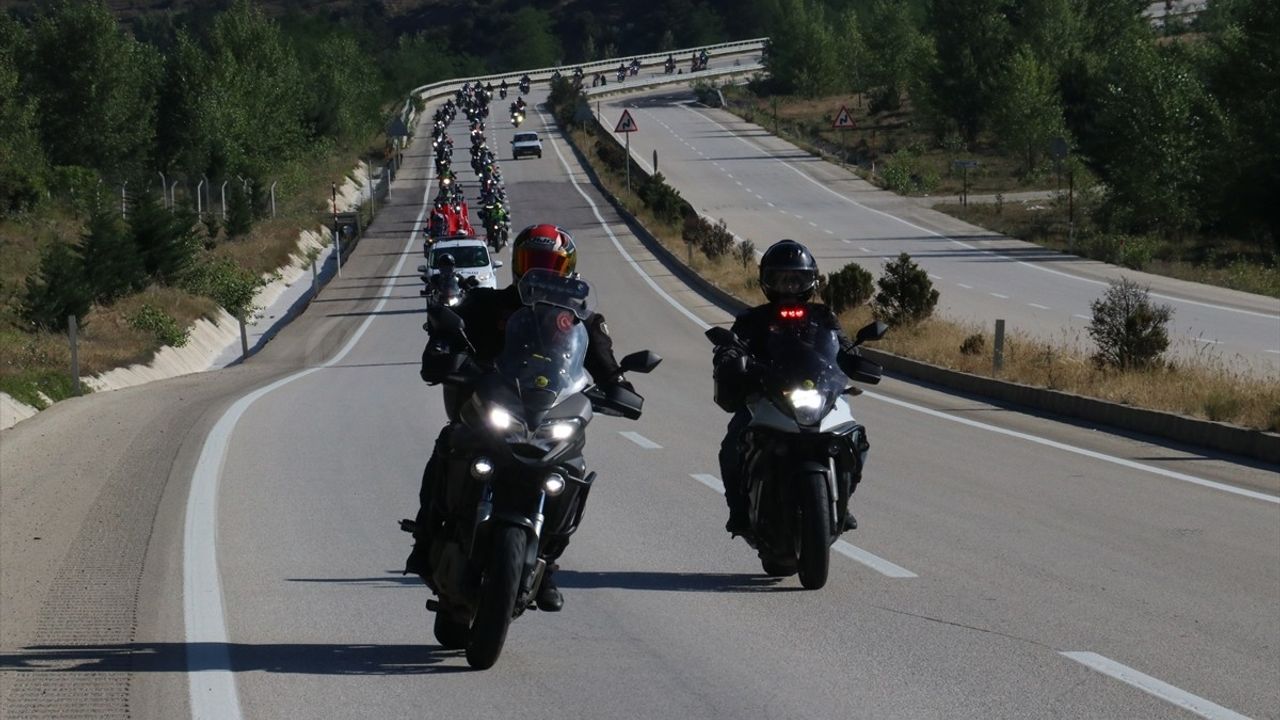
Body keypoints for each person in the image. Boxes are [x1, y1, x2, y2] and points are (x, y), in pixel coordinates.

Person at [405, 224, 635, 611]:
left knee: (571, 472)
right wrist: (444, 348)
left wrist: (618, 385)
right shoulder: (485, 304)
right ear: (516, 264)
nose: (541, 272)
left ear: (568, 269)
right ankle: (426, 538)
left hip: (546, 415)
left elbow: (605, 363)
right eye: (533, 262)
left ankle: (549, 565)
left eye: (551, 263)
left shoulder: (581, 320)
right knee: (448, 446)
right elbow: (449, 334)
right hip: (490, 407)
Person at [712, 239, 865, 536]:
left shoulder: (823, 317)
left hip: (818, 394)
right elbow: (734, 343)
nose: (790, 287)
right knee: (733, 445)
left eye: (797, 279)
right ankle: (739, 512)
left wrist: (856, 357)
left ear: (811, 281)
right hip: (765, 396)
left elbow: (842, 345)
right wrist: (730, 357)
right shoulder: (752, 319)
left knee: (854, 438)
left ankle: (842, 504)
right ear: (767, 281)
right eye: (782, 279)